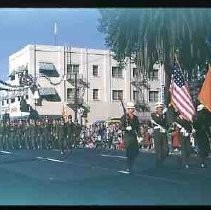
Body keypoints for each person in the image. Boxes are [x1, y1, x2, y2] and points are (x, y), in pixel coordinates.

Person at [120, 101, 140, 174]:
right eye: (130, 109)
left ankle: (131, 164)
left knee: (136, 152)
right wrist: (125, 128)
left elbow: (138, 127)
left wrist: (139, 135)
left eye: (133, 109)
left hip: (134, 136)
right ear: (128, 109)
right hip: (128, 136)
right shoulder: (124, 117)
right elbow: (121, 126)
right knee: (129, 152)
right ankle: (129, 166)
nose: (132, 110)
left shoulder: (135, 117)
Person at [151, 102, 169, 168]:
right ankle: (158, 164)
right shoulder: (153, 114)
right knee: (158, 149)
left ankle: (160, 161)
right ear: (156, 108)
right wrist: (162, 114)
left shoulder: (164, 115)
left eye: (161, 108)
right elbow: (158, 120)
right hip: (157, 132)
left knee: (166, 150)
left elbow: (166, 123)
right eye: (159, 108)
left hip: (163, 132)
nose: (160, 109)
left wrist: (167, 128)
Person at [193, 104, 211, 168]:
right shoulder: (196, 116)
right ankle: (202, 162)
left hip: (205, 133)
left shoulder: (206, 116)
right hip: (199, 134)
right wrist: (200, 127)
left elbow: (207, 125)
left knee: (206, 148)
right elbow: (195, 125)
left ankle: (203, 161)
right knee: (201, 148)